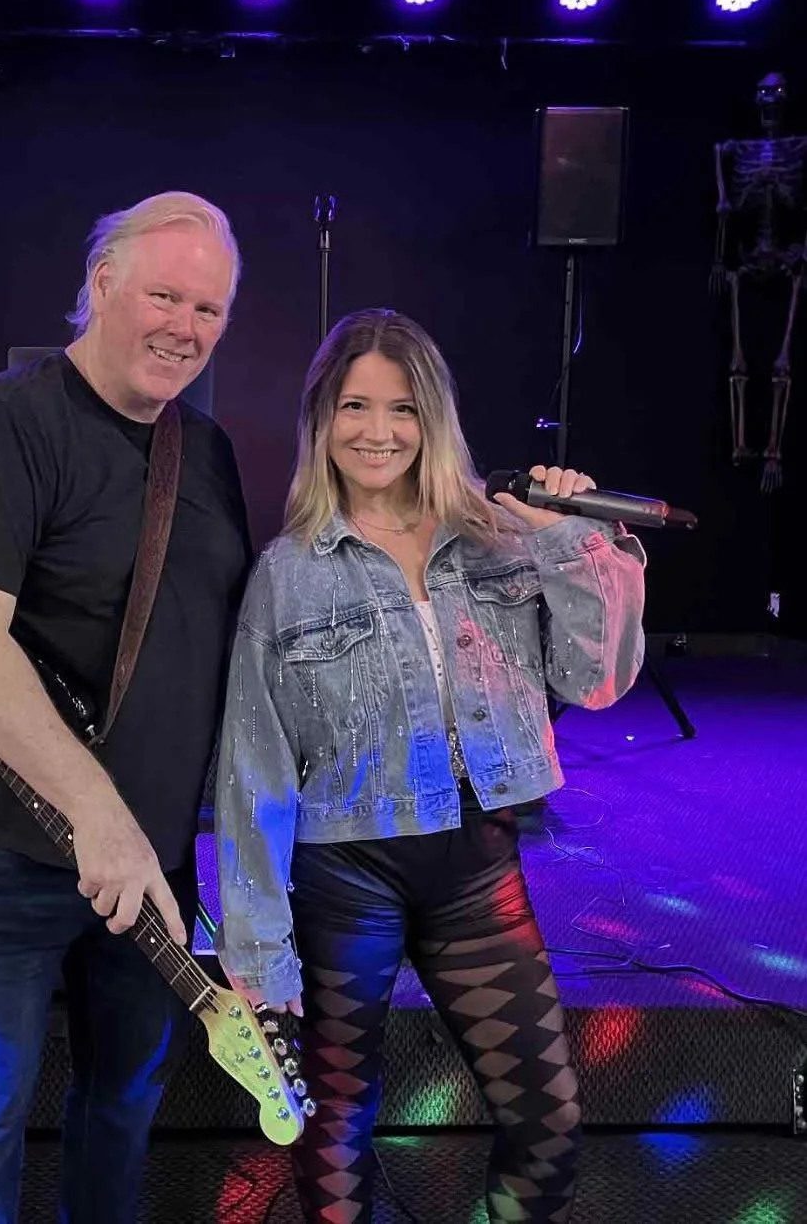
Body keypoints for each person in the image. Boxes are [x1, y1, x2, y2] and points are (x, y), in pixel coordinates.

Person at [214, 308, 646, 1224]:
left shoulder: (503, 537)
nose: (378, 432)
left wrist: (568, 539)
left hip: (475, 872)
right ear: (321, 419)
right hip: (344, 876)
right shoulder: (286, 572)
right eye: (355, 406)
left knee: (549, 1130)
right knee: (334, 1134)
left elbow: (597, 681)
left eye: (402, 408)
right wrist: (257, 950)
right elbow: (253, 774)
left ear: (433, 418)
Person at [0, 192, 253, 1223]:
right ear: (102, 284)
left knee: (122, 1114)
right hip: (3, 856)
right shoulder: (1, 425)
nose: (185, 327)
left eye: (209, 309)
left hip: (152, 868)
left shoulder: (207, 451)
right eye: (164, 296)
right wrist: (98, 816)